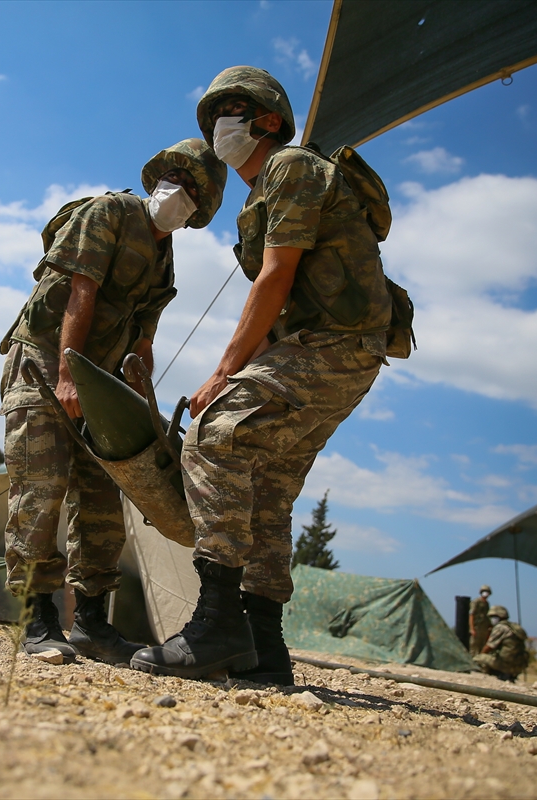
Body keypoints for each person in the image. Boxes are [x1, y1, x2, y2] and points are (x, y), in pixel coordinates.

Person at [131, 66, 392, 685]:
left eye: (233, 110)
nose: (220, 125)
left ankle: (218, 622)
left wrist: (223, 375)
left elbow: (275, 279)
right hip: (330, 348)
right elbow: (278, 304)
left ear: (268, 121)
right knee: (267, 484)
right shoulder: (258, 198)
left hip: (338, 343)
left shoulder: (291, 167)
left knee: (217, 434)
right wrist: (239, 368)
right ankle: (263, 648)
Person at [0, 140, 226, 665]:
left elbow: (141, 346)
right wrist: (67, 376)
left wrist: (146, 420)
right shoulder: (111, 212)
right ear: (156, 176)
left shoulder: (165, 262)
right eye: (173, 175)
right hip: (43, 362)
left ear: (200, 208)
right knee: (41, 485)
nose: (178, 188)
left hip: (98, 383)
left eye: (191, 186)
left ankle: (91, 624)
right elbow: (83, 290)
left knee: (102, 503)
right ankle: (35, 617)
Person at [473, 605, 528, 682]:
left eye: (493, 617)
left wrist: (481, 655)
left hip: (505, 665)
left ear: (499, 616)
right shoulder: (514, 628)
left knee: (478, 659)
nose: (491, 619)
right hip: (518, 666)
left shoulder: (500, 627)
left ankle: (487, 677)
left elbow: (489, 647)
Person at [469, 585, 492, 655]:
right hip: (477, 627)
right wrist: (472, 629)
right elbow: (471, 615)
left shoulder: (487, 604)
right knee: (474, 647)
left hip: (484, 628)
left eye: (487, 592)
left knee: (482, 647)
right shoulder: (476, 602)